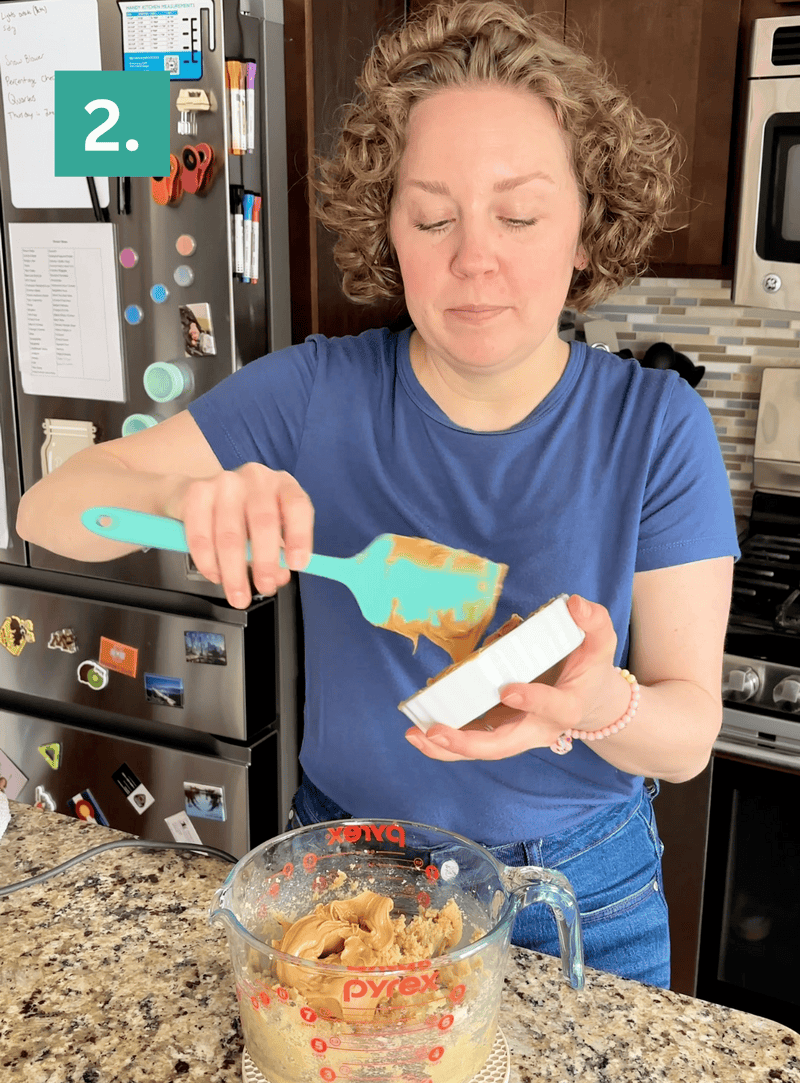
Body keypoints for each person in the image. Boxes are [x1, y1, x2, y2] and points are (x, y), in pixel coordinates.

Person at [16, 0, 739, 988]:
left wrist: (596, 705)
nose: (471, 255)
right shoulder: (315, 392)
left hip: (578, 896)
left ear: (585, 230)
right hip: (346, 872)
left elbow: (688, 733)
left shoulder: (655, 426)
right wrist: (195, 501)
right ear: (389, 232)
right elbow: (49, 512)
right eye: (432, 216)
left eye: (519, 215)